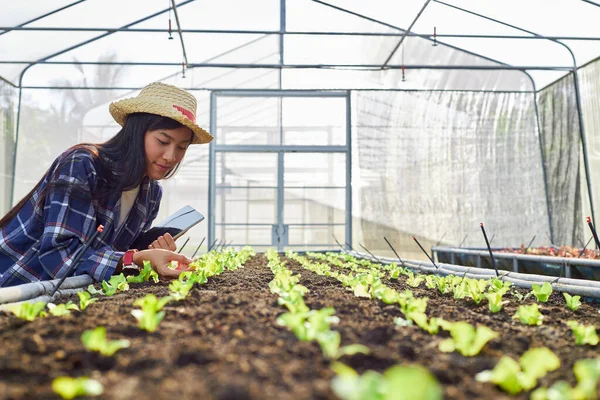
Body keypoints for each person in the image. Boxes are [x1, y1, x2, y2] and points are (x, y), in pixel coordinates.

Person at [0, 82, 213, 287]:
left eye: (182, 147)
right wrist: (135, 259)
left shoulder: (150, 193)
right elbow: (61, 256)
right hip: (15, 285)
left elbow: (110, 253)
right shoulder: (82, 164)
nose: (170, 156)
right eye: (163, 141)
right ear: (136, 132)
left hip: (57, 293)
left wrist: (148, 253)